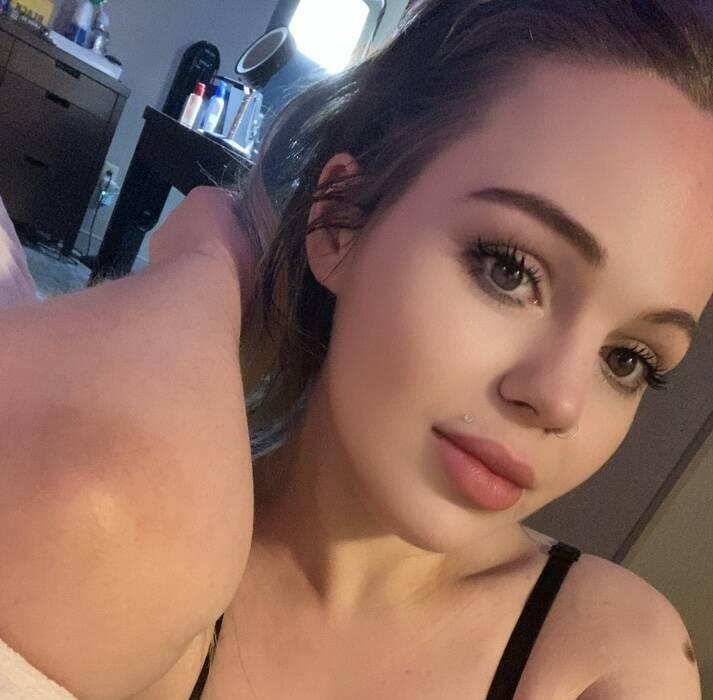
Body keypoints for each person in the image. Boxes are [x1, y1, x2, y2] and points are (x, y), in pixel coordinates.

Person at [1, 0, 712, 698]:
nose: (560, 401)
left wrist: (207, 246)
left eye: (628, 359)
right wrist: (212, 258)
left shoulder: (608, 665)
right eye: (509, 269)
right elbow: (79, 484)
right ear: (339, 223)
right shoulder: (132, 556)